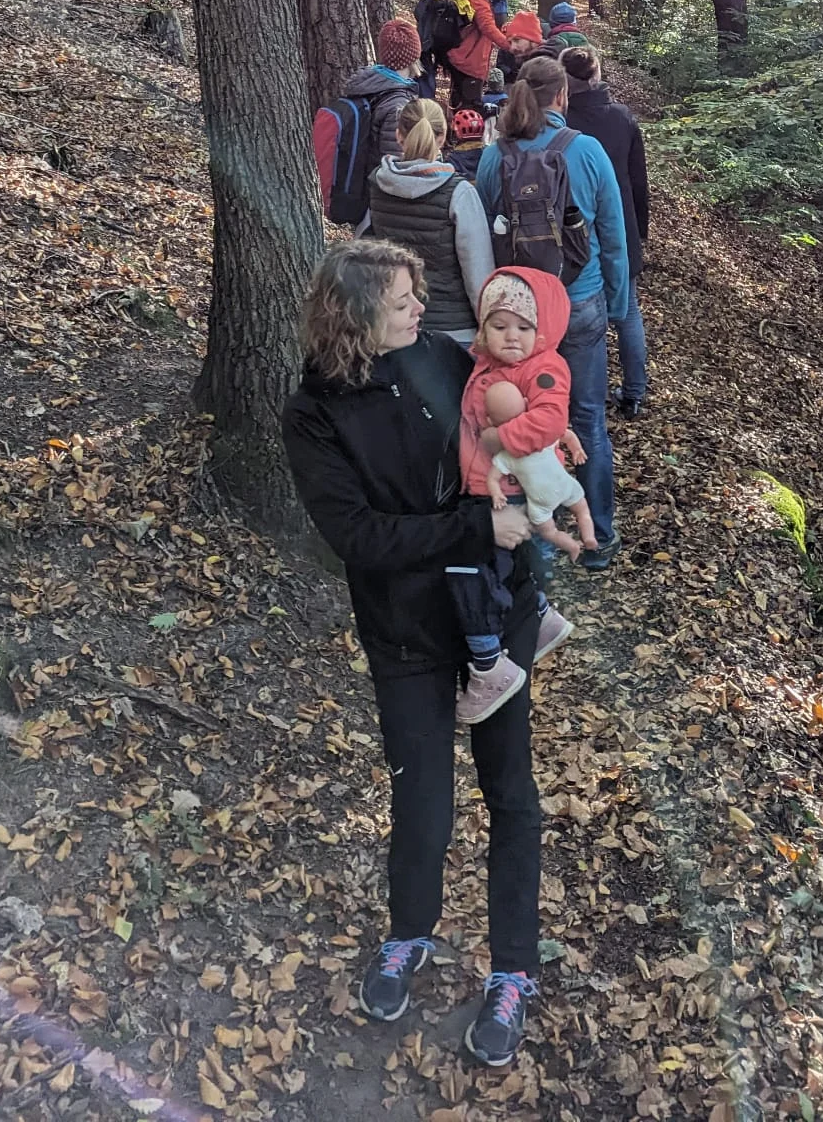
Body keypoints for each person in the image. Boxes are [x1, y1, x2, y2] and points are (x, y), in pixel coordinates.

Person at [283, 242, 543, 1067]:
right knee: (422, 799)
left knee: (510, 791)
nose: (419, 309)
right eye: (401, 300)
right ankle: (409, 936)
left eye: (416, 295)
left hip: (494, 612)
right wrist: (472, 526)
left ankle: (513, 970)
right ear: (356, 315)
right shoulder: (315, 413)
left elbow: (509, 433)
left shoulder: (442, 357)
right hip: (404, 631)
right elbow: (356, 537)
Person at [476, 55, 628, 571]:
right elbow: (613, 234)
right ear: (562, 96)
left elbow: (485, 230)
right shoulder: (587, 151)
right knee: (586, 418)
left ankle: (535, 548)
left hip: (522, 314)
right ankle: (598, 539)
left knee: (520, 422)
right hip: (580, 302)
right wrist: (618, 301)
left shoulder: (497, 156)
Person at [451, 270, 594, 719]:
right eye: (499, 325)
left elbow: (549, 419)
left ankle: (489, 665)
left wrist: (502, 440)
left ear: (543, 329)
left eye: (524, 327)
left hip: (509, 489)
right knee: (501, 565)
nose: (511, 337)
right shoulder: (488, 363)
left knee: (466, 569)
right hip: (486, 484)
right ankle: (541, 617)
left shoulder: (544, 367)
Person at [560, 48, 650, 416]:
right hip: (621, 227)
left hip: (572, 230)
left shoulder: (561, 123)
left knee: (571, 311)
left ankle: (572, 394)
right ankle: (633, 394)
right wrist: (640, 231)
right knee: (627, 311)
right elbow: (639, 182)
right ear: (597, 74)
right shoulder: (621, 117)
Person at [365, 99, 494, 345]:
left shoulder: (377, 184)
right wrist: (488, 326)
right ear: (443, 136)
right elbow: (478, 272)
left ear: (398, 135)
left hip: (396, 327)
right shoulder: (460, 192)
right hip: (454, 332)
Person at [318, 19, 424, 206]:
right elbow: (396, 163)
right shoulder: (398, 105)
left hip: (364, 187)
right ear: (414, 55)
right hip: (379, 199)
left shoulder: (369, 84)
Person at [445, 0, 514, 111]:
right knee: (470, 109)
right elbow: (488, 27)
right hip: (470, 63)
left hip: (462, 58)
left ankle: (453, 132)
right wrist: (511, 46)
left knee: (459, 104)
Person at [498, 11, 545, 83]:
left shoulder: (551, 67)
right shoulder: (510, 53)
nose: (512, 48)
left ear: (533, 40)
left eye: (517, 40)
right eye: (510, 42)